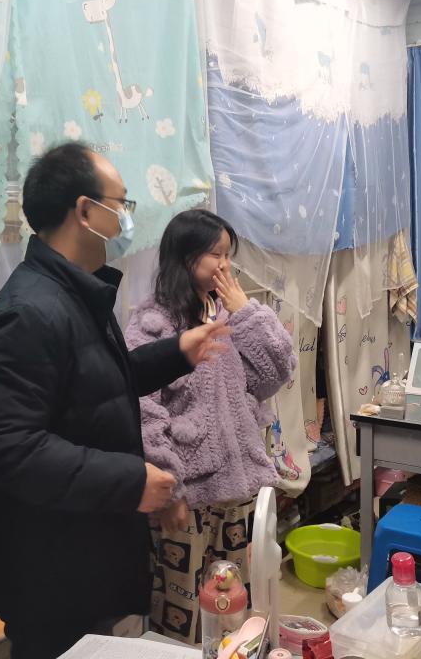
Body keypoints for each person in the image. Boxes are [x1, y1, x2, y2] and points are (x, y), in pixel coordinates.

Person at [0, 143, 229, 659]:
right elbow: (5, 445)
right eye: (121, 204)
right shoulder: (28, 312)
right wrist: (130, 481)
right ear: (85, 211)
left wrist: (176, 352)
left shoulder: (74, 294)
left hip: (83, 547)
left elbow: (99, 386)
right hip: (49, 566)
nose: (127, 218)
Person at [124, 209, 296, 645]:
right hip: (188, 498)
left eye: (228, 254)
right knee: (181, 617)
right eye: (215, 254)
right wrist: (171, 490)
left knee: (235, 611)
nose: (225, 265)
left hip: (238, 492)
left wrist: (246, 311)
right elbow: (143, 411)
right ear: (186, 258)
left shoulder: (227, 315)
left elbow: (277, 371)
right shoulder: (153, 323)